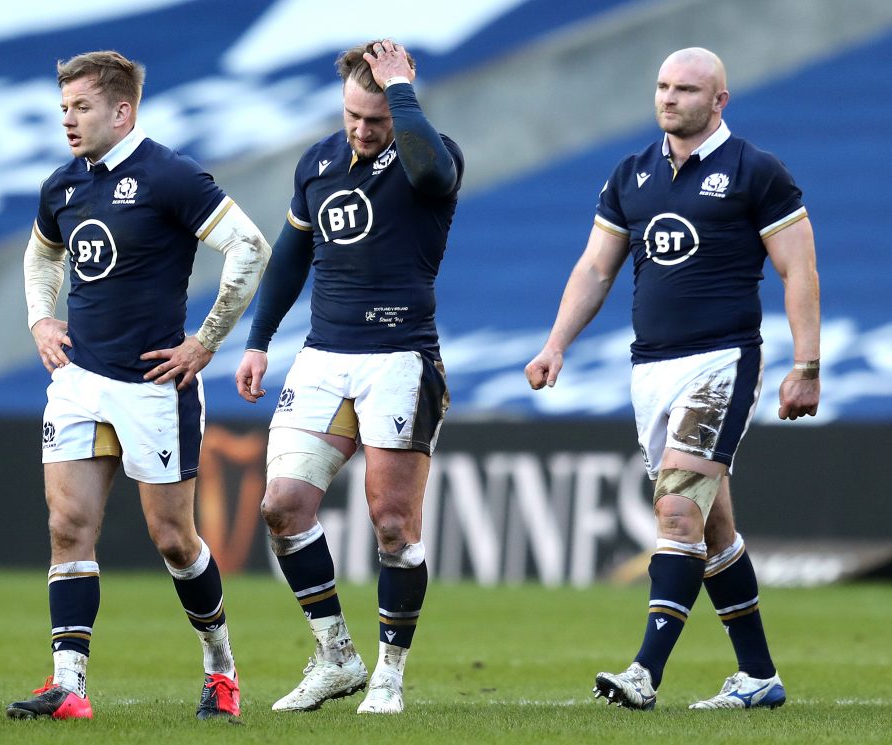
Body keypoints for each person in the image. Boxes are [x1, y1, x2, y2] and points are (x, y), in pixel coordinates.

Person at [525, 47, 820, 711]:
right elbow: (596, 268)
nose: (669, 98)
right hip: (649, 367)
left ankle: (643, 672)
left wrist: (807, 363)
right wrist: (555, 343)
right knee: (712, 527)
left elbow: (799, 268)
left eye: (686, 89)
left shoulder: (755, 172)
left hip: (721, 360)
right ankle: (758, 676)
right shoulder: (631, 174)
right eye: (662, 85)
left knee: (677, 508)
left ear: (720, 99)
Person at [6, 50, 271, 721]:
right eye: (63, 107)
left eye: (82, 107)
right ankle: (70, 684)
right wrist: (41, 319)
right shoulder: (63, 186)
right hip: (78, 379)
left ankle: (221, 667)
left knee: (174, 538)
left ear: (122, 111)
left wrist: (205, 341)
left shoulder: (169, 174)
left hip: (154, 383)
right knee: (68, 525)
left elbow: (249, 245)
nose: (68, 120)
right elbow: (42, 255)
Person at [234, 39, 463, 714]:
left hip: (400, 358)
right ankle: (336, 654)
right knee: (281, 506)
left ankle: (390, 672)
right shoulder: (320, 162)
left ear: (397, 108)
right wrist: (257, 340)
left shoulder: (432, 149)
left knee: (392, 523)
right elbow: (290, 258)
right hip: (324, 355)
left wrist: (402, 94)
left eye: (377, 119)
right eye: (353, 117)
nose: (363, 131)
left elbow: (429, 179)